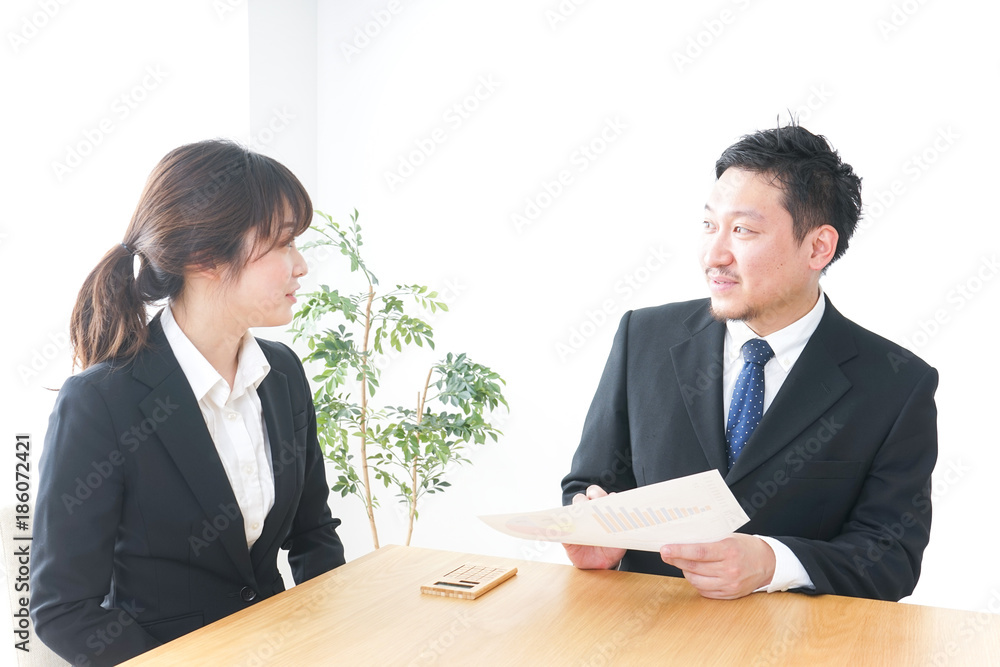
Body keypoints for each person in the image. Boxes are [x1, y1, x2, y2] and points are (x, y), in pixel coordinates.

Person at [561, 124, 938, 602]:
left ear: (818, 247)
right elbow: (591, 483)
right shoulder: (644, 337)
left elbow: (890, 557)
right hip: (647, 627)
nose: (714, 254)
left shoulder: (896, 384)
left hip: (795, 637)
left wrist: (772, 562)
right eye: (709, 225)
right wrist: (594, 532)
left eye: (742, 230)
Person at [30, 140, 346, 665]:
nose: (301, 265)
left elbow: (313, 535)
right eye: (283, 243)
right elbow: (63, 608)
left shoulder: (283, 373)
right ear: (205, 259)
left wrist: (333, 637)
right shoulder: (100, 402)